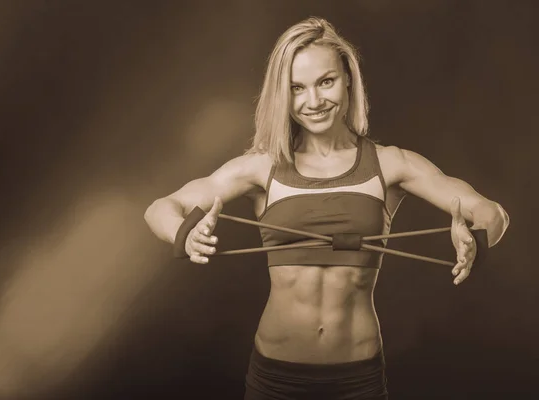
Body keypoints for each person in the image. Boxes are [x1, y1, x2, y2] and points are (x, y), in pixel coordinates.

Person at [143, 17, 510, 400]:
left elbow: (492, 213)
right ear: (282, 95)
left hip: (357, 381)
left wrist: (476, 240)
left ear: (348, 78)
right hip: (275, 379)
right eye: (296, 88)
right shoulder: (260, 167)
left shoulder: (392, 164)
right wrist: (184, 235)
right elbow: (160, 208)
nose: (313, 101)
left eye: (326, 82)